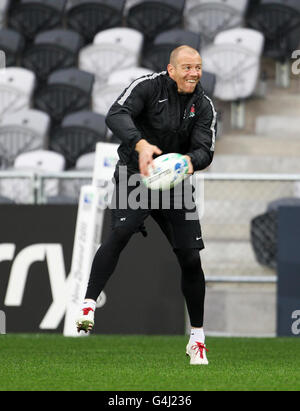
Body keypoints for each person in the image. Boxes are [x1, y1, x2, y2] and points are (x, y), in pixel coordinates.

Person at [76, 45, 217, 365]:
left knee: (191, 258)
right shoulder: (147, 86)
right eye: (187, 67)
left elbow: (205, 151)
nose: (194, 73)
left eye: (198, 67)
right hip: (135, 174)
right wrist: (140, 144)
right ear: (171, 69)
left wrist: (184, 162)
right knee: (122, 230)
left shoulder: (204, 104)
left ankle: (197, 338)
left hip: (174, 181)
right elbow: (116, 113)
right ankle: (87, 303)